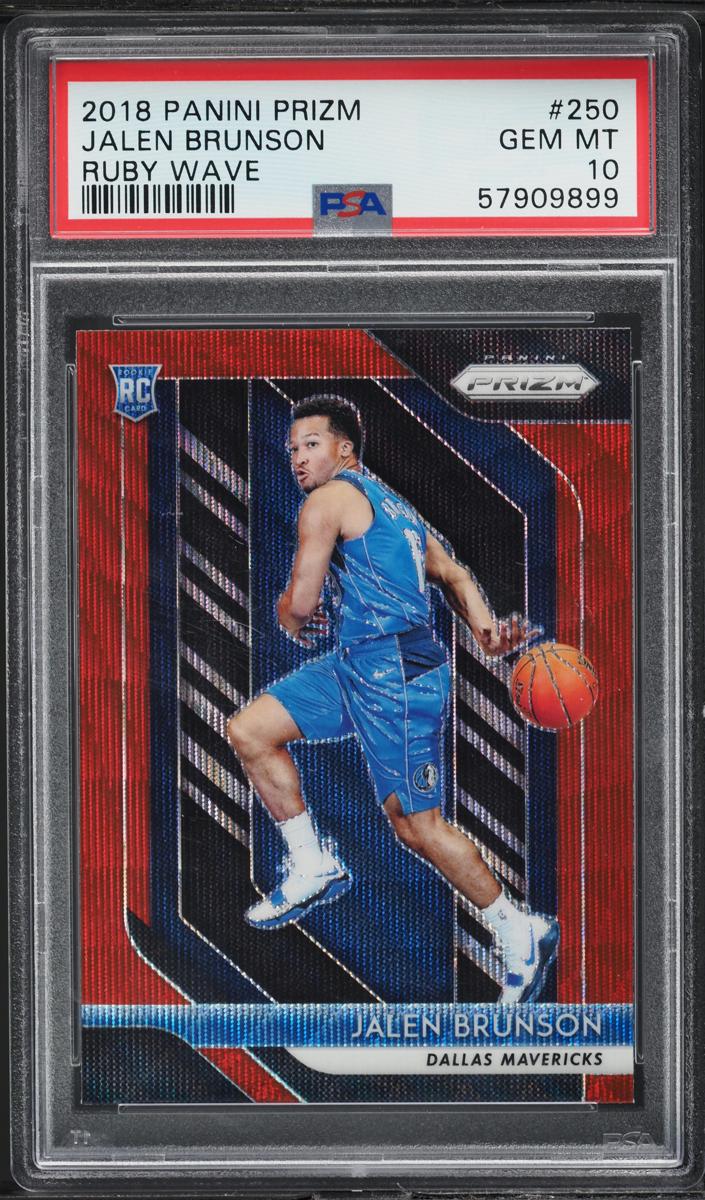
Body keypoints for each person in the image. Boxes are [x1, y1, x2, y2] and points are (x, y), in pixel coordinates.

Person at [227, 396, 559, 1002]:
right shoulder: (396, 509)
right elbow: (453, 573)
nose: (298, 458)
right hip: (358, 664)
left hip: (396, 675)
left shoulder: (328, 500)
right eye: (292, 449)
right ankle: (312, 862)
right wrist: (487, 635)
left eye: (311, 445)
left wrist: (290, 617)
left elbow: (299, 604)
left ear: (344, 448)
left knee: (417, 826)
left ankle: (518, 930)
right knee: (251, 730)